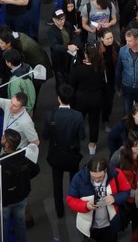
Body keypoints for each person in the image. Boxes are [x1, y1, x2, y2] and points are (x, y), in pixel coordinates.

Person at [43, 83, 86, 218]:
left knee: (57, 184)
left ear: (58, 98)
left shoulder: (50, 116)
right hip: (72, 155)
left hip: (56, 155)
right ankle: (74, 206)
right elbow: (83, 137)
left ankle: (59, 211)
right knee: (74, 181)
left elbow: (45, 136)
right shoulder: (78, 116)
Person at [67, 156, 131, 242]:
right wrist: (85, 205)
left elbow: (126, 192)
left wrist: (114, 198)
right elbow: (71, 200)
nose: (97, 180)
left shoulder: (116, 174)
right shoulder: (79, 178)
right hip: (89, 227)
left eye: (100, 177)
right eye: (93, 177)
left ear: (105, 170)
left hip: (110, 224)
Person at [1, 128, 40, 242]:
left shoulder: (2, 162)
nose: (1, 138)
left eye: (3, 137)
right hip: (22, 196)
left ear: (7, 144)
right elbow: (35, 170)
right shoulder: (25, 155)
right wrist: (24, 179)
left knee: (5, 225)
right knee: (20, 221)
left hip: (6, 200)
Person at [70, 44, 106, 156]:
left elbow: (71, 85)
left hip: (81, 100)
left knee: (77, 122)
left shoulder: (79, 69)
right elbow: (104, 85)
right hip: (96, 99)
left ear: (86, 55)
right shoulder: (100, 68)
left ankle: (74, 143)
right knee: (94, 122)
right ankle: (92, 145)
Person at [48, 8, 84, 89]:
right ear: (54, 20)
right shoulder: (51, 31)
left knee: (70, 74)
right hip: (59, 58)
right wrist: (68, 47)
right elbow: (55, 46)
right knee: (60, 79)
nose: (62, 21)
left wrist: (74, 45)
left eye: (63, 19)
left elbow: (73, 36)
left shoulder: (67, 25)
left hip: (70, 56)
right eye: (60, 20)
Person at [3, 48, 36, 114]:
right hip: (30, 105)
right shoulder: (28, 68)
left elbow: (15, 101)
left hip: (22, 112)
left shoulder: (15, 80)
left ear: (9, 63)